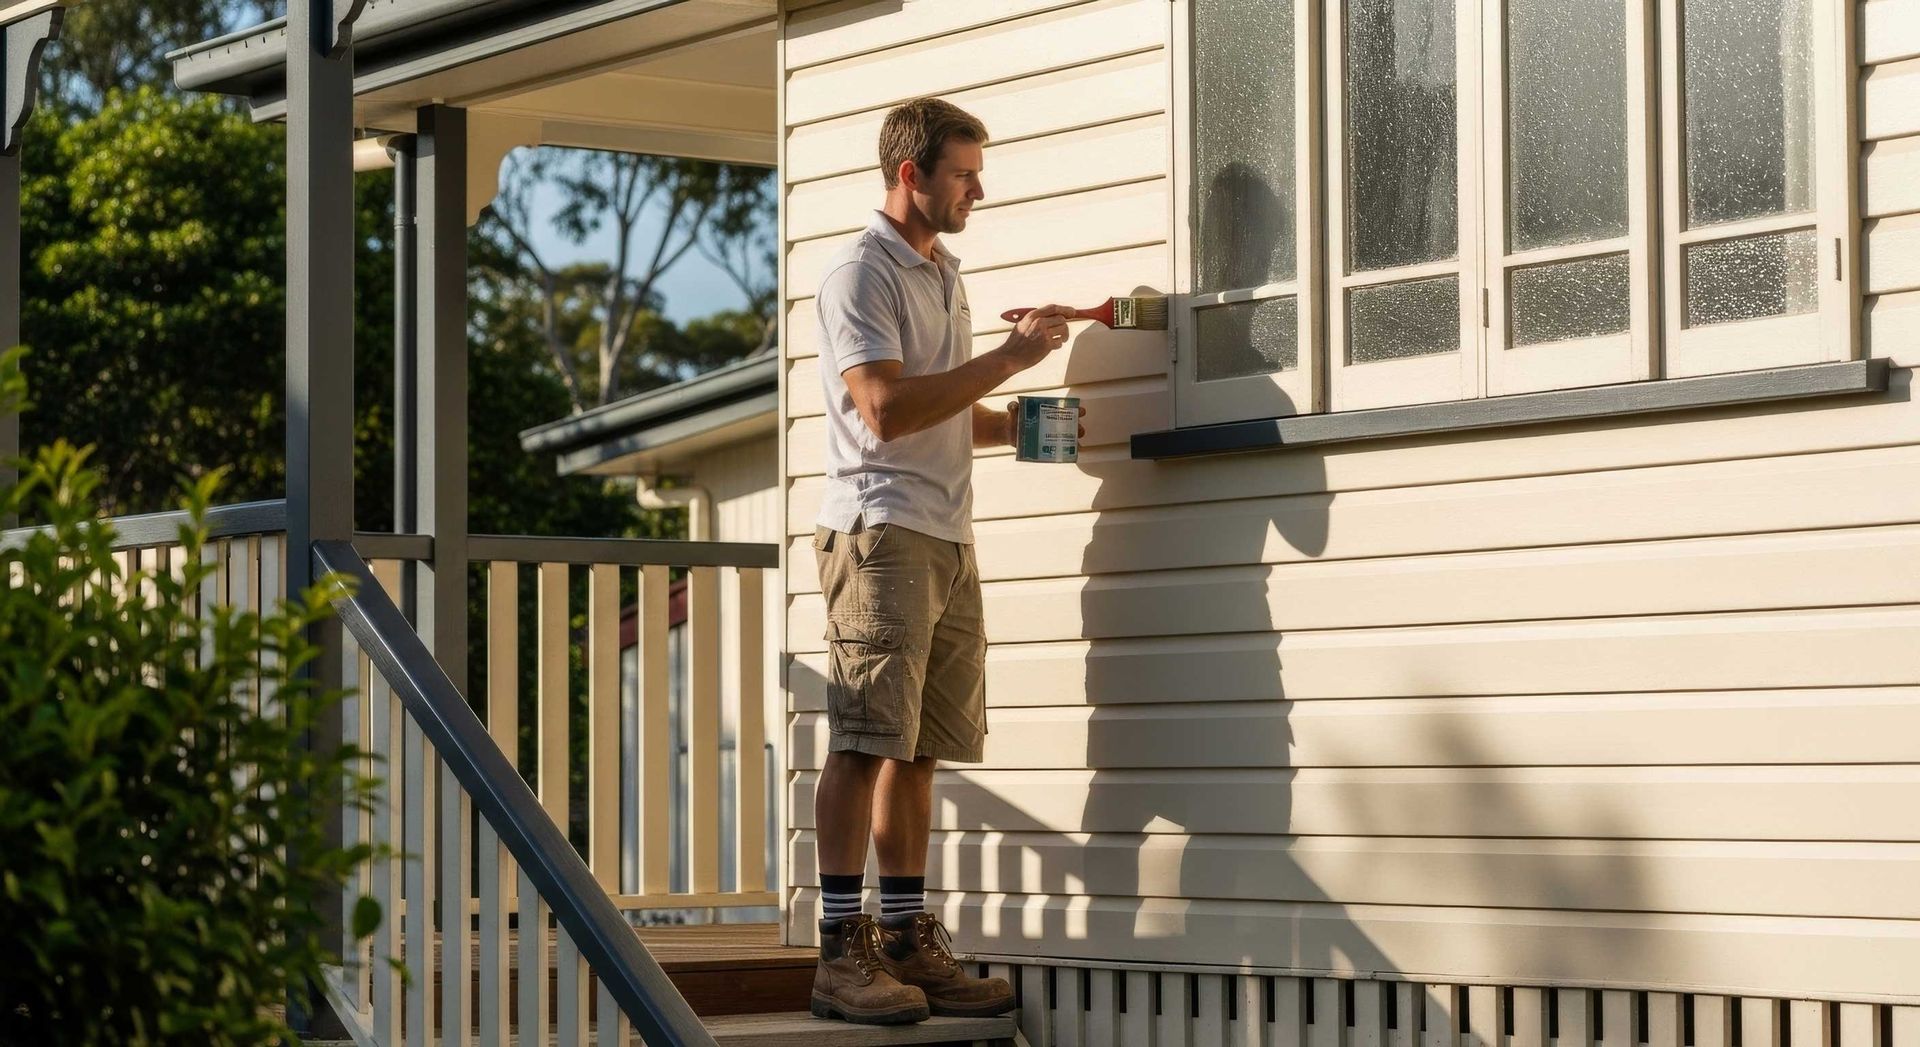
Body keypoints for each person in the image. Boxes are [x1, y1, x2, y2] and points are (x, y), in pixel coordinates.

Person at [806, 96, 1081, 1026]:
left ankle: (903, 940)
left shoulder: (942, 271)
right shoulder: (859, 272)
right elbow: (883, 409)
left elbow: (943, 408)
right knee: (863, 739)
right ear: (910, 174)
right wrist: (1010, 356)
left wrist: (1021, 424)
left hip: (948, 536)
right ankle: (839, 953)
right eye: (963, 173)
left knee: (920, 750)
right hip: (882, 533)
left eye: (977, 171)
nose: (978, 188)